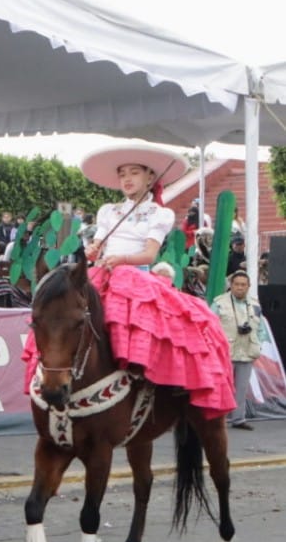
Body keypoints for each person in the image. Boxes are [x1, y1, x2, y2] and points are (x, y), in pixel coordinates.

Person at [65, 141, 234, 418]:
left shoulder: (160, 213)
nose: (127, 179)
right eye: (122, 174)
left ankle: (150, 379)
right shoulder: (108, 211)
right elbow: (97, 246)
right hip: (104, 272)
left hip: (134, 276)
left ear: (150, 177)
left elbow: (148, 254)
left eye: (134, 172)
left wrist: (121, 261)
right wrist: (92, 250)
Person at [212, 270, 265, 430]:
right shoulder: (219, 303)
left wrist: (259, 344)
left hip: (247, 351)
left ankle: (238, 419)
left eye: (243, 285)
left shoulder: (255, 304)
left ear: (248, 287)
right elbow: (210, 325)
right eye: (236, 284)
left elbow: (260, 327)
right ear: (231, 286)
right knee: (221, 387)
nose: (239, 288)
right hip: (225, 352)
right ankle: (216, 420)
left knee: (241, 388)